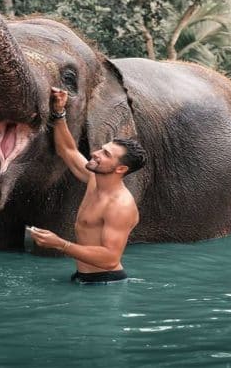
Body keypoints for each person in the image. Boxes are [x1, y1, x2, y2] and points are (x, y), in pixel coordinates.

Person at [29, 87, 147, 285]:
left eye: (106, 154)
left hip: (106, 283)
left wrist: (60, 244)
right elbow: (67, 150)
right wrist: (59, 112)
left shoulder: (120, 206)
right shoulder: (94, 179)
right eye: (102, 149)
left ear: (121, 169)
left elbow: (110, 259)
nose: (96, 153)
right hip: (83, 278)